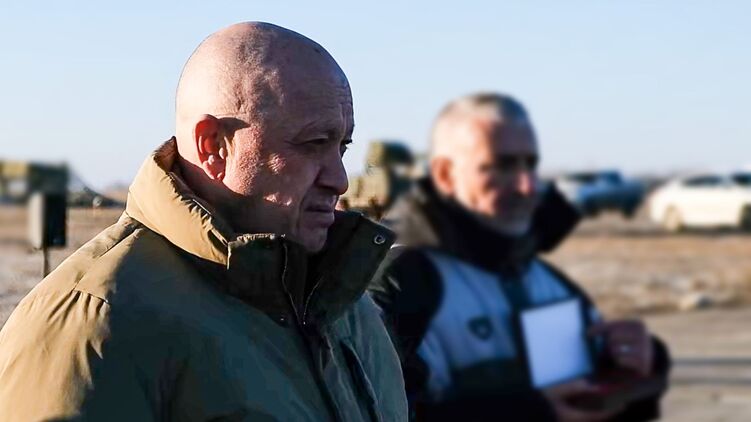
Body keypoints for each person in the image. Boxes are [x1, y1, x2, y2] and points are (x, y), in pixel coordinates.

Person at [0, 22, 407, 421]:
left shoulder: (343, 302)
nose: (339, 180)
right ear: (213, 146)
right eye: (314, 144)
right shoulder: (95, 324)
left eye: (342, 147)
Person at [369, 93, 670, 421]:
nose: (527, 186)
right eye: (501, 166)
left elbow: (600, 406)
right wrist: (533, 411)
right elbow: (380, 411)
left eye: (530, 164)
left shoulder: (547, 281)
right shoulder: (404, 284)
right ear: (445, 174)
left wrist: (638, 367)